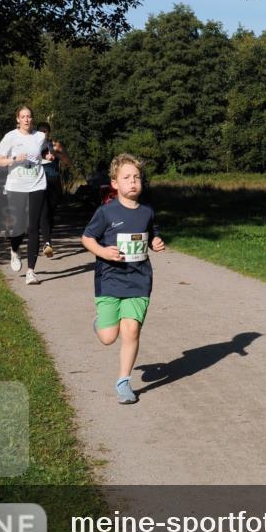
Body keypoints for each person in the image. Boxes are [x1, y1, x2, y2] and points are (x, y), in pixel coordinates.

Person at [81, 153, 165, 404]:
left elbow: (152, 235)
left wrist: (156, 242)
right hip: (109, 279)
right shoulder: (106, 212)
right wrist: (102, 251)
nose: (133, 182)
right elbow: (86, 238)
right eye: (126, 177)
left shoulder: (147, 212)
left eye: (137, 177)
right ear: (115, 183)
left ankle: (123, 381)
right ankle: (100, 322)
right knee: (109, 337)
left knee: (131, 330)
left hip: (139, 280)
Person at [0, 105, 48, 285]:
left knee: (33, 227)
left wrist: (51, 156)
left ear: (32, 119)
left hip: (37, 184)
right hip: (16, 186)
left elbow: (46, 152)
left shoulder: (40, 137)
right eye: (23, 116)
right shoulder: (11, 137)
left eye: (29, 116)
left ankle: (31, 271)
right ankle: (14, 249)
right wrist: (15, 159)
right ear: (17, 119)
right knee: (19, 225)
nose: (26, 119)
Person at [36, 122, 71, 258]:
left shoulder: (55, 145)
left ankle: (47, 238)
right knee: (44, 211)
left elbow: (68, 162)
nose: (44, 134)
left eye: (46, 131)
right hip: (40, 182)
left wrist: (59, 153)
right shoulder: (33, 146)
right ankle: (47, 242)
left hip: (54, 182)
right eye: (41, 131)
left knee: (50, 213)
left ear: (49, 133)